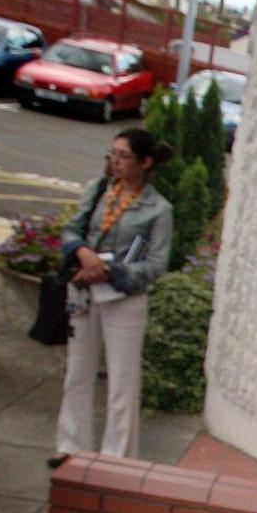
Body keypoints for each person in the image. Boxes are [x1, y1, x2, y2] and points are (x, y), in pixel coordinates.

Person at [51, 129, 173, 466]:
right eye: (113, 154)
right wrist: (83, 254)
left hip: (122, 298)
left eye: (124, 156)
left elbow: (151, 260)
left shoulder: (156, 209)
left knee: (122, 378)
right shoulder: (99, 190)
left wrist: (111, 271)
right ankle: (70, 445)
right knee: (77, 370)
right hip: (84, 288)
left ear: (145, 162)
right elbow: (72, 229)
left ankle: (115, 456)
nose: (115, 162)